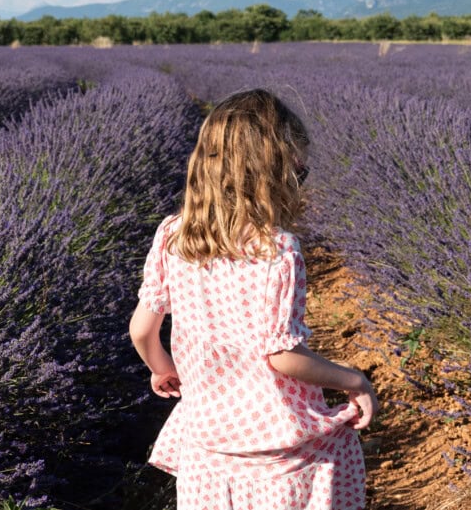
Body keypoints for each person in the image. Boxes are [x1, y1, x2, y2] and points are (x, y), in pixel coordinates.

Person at [129, 88, 378, 510]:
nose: (302, 172)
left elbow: (142, 329)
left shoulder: (172, 235)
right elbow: (281, 356)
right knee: (337, 448)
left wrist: (161, 368)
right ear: (275, 172)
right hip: (278, 451)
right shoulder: (277, 250)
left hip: (208, 447)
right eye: (298, 167)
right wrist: (354, 380)